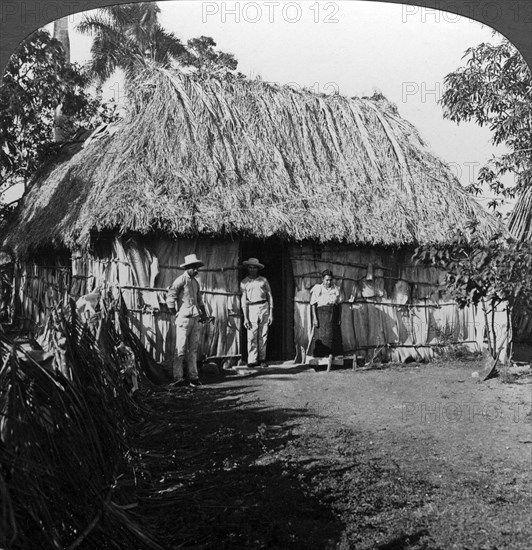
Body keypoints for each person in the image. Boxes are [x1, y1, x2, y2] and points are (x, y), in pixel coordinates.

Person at [166, 253, 208, 387]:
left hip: (195, 319)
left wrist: (204, 315)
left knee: (193, 350)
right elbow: (170, 297)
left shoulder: (195, 283)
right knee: (181, 349)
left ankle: (193, 377)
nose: (196, 270)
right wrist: (174, 313)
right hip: (183, 319)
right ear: (187, 267)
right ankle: (178, 377)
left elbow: (200, 300)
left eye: (197, 268)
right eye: (193, 268)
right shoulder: (180, 280)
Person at [240, 257, 273, 368]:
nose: (252, 269)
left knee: (263, 334)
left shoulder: (263, 280)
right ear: (247, 268)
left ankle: (262, 358)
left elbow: (269, 296)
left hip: (264, 306)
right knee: (252, 335)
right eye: (250, 267)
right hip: (251, 308)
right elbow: (244, 300)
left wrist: (271, 313)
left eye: (254, 267)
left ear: (257, 269)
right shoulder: (244, 282)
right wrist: (245, 317)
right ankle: (252, 359)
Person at [309, 269, 344, 372]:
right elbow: (313, 305)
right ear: (322, 279)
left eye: (330, 280)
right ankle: (319, 363)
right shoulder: (318, 289)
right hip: (321, 315)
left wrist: (339, 318)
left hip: (332, 316)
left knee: (332, 337)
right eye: (327, 280)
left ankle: (332, 361)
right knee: (321, 337)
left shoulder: (336, 289)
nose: (329, 282)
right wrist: (315, 318)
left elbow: (339, 305)